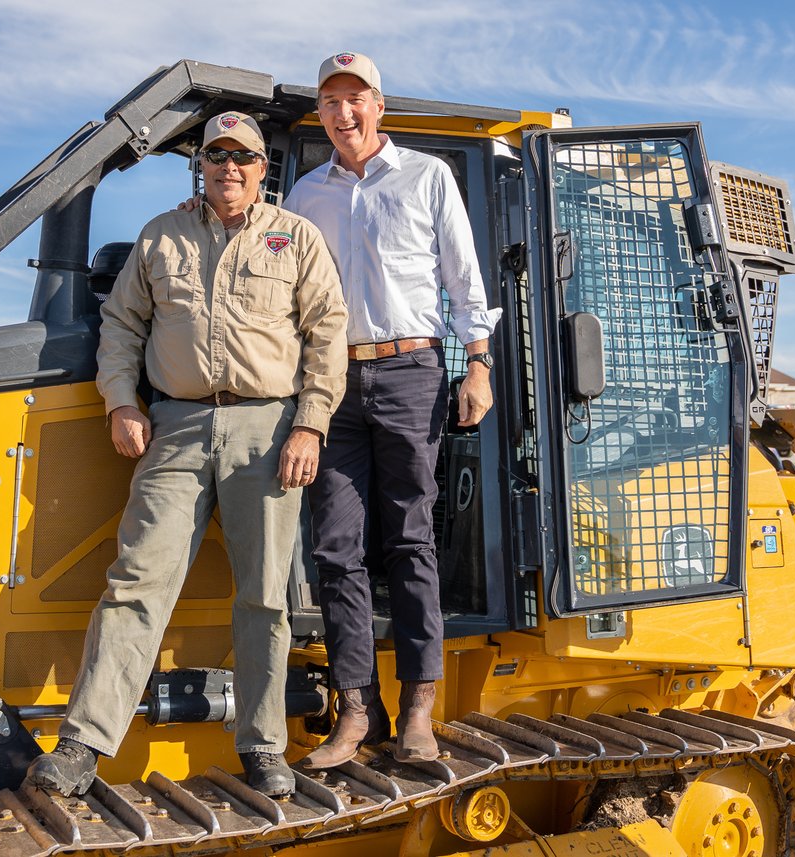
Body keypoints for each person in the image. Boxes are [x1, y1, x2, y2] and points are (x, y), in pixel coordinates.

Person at [26, 111, 348, 798]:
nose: (230, 167)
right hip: (175, 426)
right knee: (136, 581)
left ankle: (263, 747)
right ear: (200, 166)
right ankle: (83, 744)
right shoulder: (161, 235)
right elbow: (121, 325)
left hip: (268, 431)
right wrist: (121, 402)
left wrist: (310, 426)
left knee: (265, 596)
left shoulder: (296, 238)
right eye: (217, 155)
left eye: (243, 157)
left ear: (263, 168)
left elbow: (328, 336)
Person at [284, 53, 501, 768]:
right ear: (320, 113)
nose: (343, 112)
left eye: (355, 98)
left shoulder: (427, 176)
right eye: (330, 101)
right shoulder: (305, 194)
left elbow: (462, 276)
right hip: (332, 380)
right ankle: (356, 708)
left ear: (378, 105)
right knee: (335, 548)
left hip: (412, 371)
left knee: (411, 538)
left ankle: (418, 708)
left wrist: (478, 363)